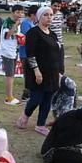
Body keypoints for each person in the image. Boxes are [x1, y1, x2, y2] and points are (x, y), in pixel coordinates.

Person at [17, 7, 61, 136]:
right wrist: (36, 71)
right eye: (46, 15)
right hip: (37, 71)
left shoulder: (53, 34)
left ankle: (40, 125)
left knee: (47, 99)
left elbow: (57, 54)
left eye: (51, 15)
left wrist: (59, 71)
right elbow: (30, 54)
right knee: (36, 98)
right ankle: (24, 117)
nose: (49, 17)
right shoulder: (33, 32)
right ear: (39, 17)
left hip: (52, 72)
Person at [0, 15, 20, 105]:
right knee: (9, 75)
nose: (20, 14)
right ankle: (9, 98)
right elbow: (7, 36)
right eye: (17, 12)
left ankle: (10, 96)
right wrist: (16, 25)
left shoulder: (17, 23)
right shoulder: (7, 23)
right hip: (7, 52)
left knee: (12, 75)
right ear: (13, 12)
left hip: (13, 50)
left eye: (22, 12)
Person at [49, 0, 66, 73]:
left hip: (60, 42)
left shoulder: (60, 14)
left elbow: (61, 27)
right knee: (51, 64)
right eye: (55, 6)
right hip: (50, 43)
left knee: (61, 65)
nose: (57, 8)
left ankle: (59, 82)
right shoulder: (47, 14)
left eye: (59, 6)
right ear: (51, 5)